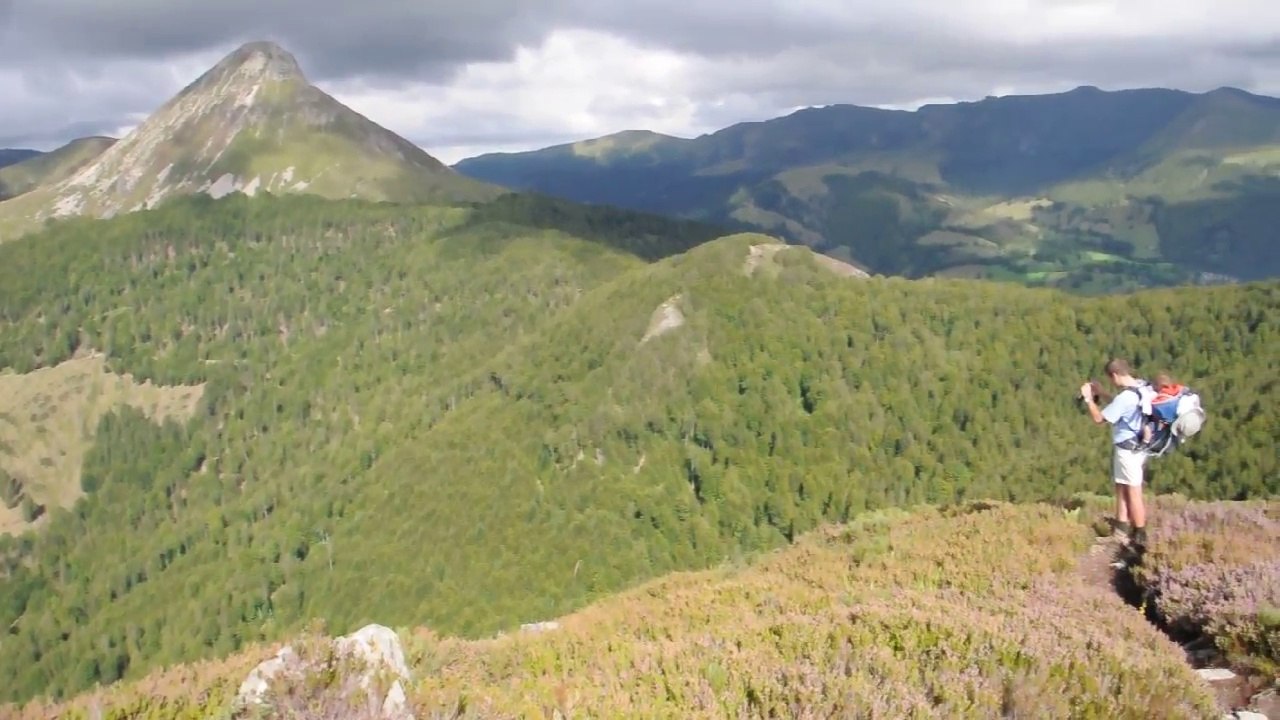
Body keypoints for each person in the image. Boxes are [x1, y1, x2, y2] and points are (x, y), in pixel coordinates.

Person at [1080, 358, 1154, 555]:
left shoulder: (1125, 398)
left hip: (1127, 450)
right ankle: (1120, 530)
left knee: (1133, 492)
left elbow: (1099, 418)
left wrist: (1089, 399)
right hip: (1140, 447)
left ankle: (1140, 536)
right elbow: (1123, 407)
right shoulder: (1142, 387)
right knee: (1122, 486)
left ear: (1114, 375)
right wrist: (1102, 393)